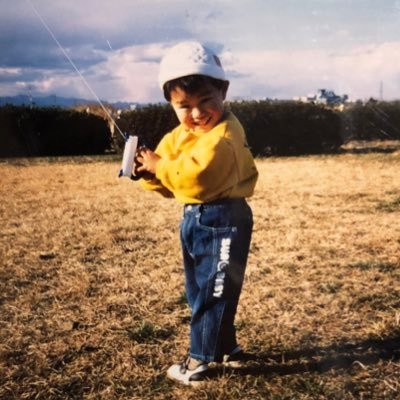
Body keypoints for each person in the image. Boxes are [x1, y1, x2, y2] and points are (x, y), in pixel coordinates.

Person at [136, 41, 258, 386]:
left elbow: (194, 176)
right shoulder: (183, 134)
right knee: (202, 289)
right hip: (196, 219)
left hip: (223, 219)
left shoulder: (222, 136)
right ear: (171, 104)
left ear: (224, 90)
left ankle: (199, 360)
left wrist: (160, 166)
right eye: (184, 106)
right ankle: (225, 347)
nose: (197, 113)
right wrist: (148, 173)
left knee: (214, 288)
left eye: (206, 101)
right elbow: (172, 179)